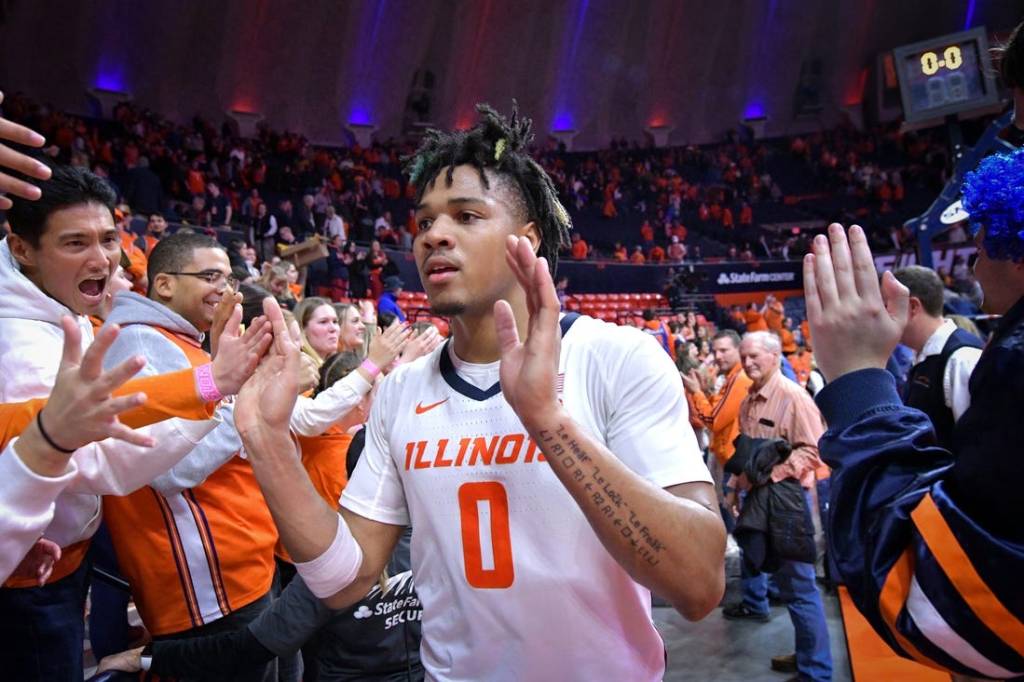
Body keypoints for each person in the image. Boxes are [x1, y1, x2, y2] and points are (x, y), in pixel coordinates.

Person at [231, 104, 725, 681]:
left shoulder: (617, 358)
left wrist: (548, 422)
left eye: (466, 216)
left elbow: (698, 585)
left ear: (527, 240)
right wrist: (267, 442)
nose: (433, 235)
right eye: (423, 223)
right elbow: (346, 582)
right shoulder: (401, 392)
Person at [0, 163, 262, 680]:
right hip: (41, 583)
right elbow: (104, 458)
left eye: (108, 239)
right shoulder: (25, 345)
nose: (100, 258)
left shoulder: (61, 307)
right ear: (22, 249)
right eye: (76, 243)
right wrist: (217, 391)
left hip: (47, 558)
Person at [802, 159, 1024, 677]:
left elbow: (953, 603)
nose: (973, 265)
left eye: (980, 242)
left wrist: (857, 381)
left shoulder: (983, 357)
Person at [100, 232, 279, 681]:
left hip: (239, 569)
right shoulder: (140, 344)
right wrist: (238, 398)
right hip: (209, 589)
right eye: (210, 276)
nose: (226, 288)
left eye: (230, 277)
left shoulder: (181, 342)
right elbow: (170, 468)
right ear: (163, 285)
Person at [728, 331, 832, 681]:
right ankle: (807, 654)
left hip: (787, 502)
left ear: (774, 356)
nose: (747, 362)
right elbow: (745, 453)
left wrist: (769, 475)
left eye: (754, 356)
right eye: (744, 356)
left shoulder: (793, 397)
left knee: (800, 587)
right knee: (782, 583)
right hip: (758, 500)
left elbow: (815, 451)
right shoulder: (748, 400)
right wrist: (733, 488)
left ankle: (817, 671)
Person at [892, 265, 982, 448]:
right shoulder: (923, 353)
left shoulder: (961, 358)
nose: (882, 314)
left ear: (912, 306)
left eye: (886, 305)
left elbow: (980, 445)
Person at [680, 329, 753, 527]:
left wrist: (696, 392)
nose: (718, 356)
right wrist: (702, 391)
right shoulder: (732, 377)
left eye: (724, 350)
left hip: (734, 461)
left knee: (734, 520)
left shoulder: (740, 379)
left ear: (739, 350)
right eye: (715, 351)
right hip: (730, 458)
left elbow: (713, 420)